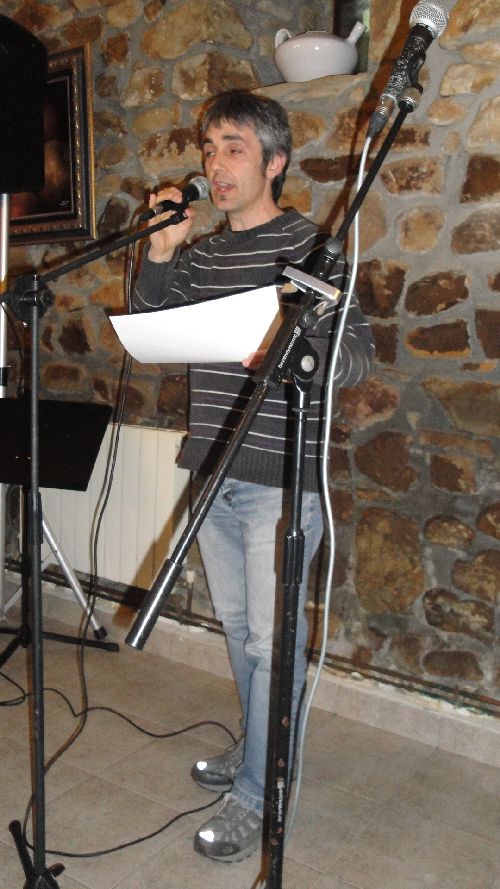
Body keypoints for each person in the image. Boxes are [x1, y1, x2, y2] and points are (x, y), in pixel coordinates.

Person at [133, 89, 374, 863]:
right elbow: (147, 325)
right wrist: (161, 252)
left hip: (280, 478)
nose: (215, 164)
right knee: (240, 632)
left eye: (233, 147)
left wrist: (291, 348)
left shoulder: (312, 248)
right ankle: (262, 749)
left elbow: (359, 353)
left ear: (275, 161)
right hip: (214, 470)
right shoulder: (201, 255)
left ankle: (258, 791)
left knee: (274, 643)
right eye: (209, 148)